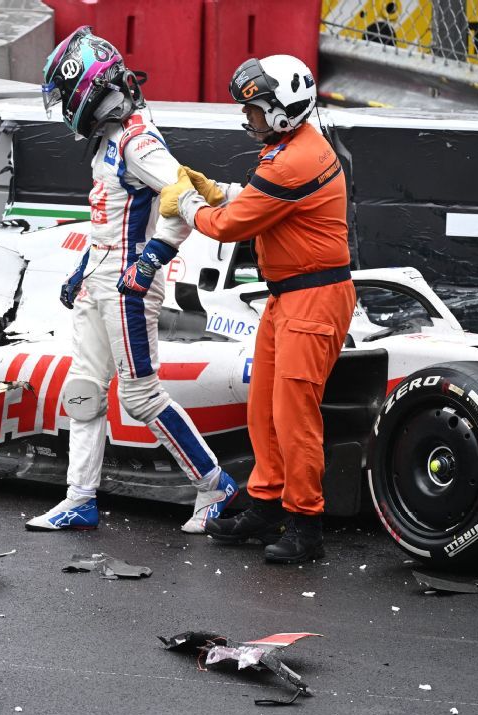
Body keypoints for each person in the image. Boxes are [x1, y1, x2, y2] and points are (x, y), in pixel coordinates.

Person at [25, 27, 239, 533]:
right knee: (84, 389)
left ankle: (215, 485)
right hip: (101, 278)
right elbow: (107, 219)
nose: (63, 110)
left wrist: (150, 262)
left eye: (66, 97)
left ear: (89, 92)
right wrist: (80, 272)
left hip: (127, 287)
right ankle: (79, 499)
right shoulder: (112, 139)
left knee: (140, 396)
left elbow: (184, 199)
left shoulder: (139, 141)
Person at [158, 54, 356, 563]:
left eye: (256, 110)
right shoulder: (291, 148)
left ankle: (306, 525)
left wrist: (185, 202)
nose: (249, 119)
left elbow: (228, 227)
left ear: (284, 110)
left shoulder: (293, 159)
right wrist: (214, 191)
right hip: (290, 296)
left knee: (294, 417)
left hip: (312, 299)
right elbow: (257, 201)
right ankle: (266, 503)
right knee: (265, 407)